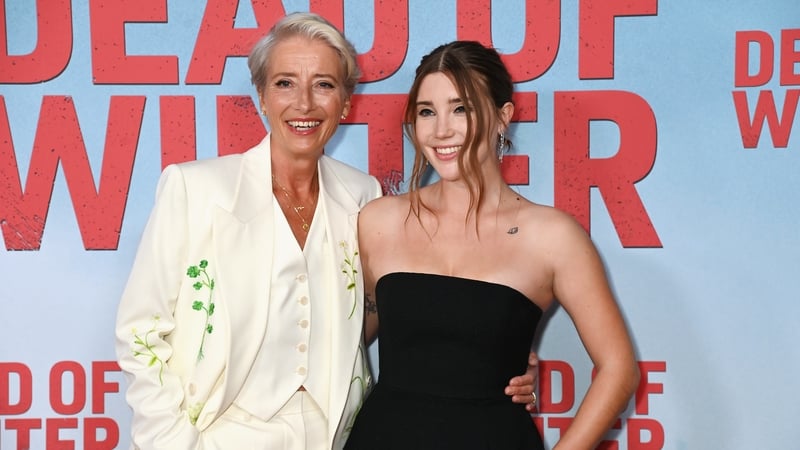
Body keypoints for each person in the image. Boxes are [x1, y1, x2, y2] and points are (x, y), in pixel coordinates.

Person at [115, 14, 537, 450]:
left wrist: (491, 351)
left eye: (323, 84)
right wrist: (171, 442)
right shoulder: (196, 189)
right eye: (284, 83)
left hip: (337, 434)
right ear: (260, 96)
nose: (304, 104)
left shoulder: (363, 197)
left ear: (346, 102)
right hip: (220, 433)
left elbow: (390, 313)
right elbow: (140, 331)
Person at [344, 41, 640, 449]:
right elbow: (344, 339)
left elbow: (619, 368)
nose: (441, 129)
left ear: (503, 117)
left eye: (461, 108)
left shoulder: (551, 236)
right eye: (427, 111)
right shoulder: (378, 221)